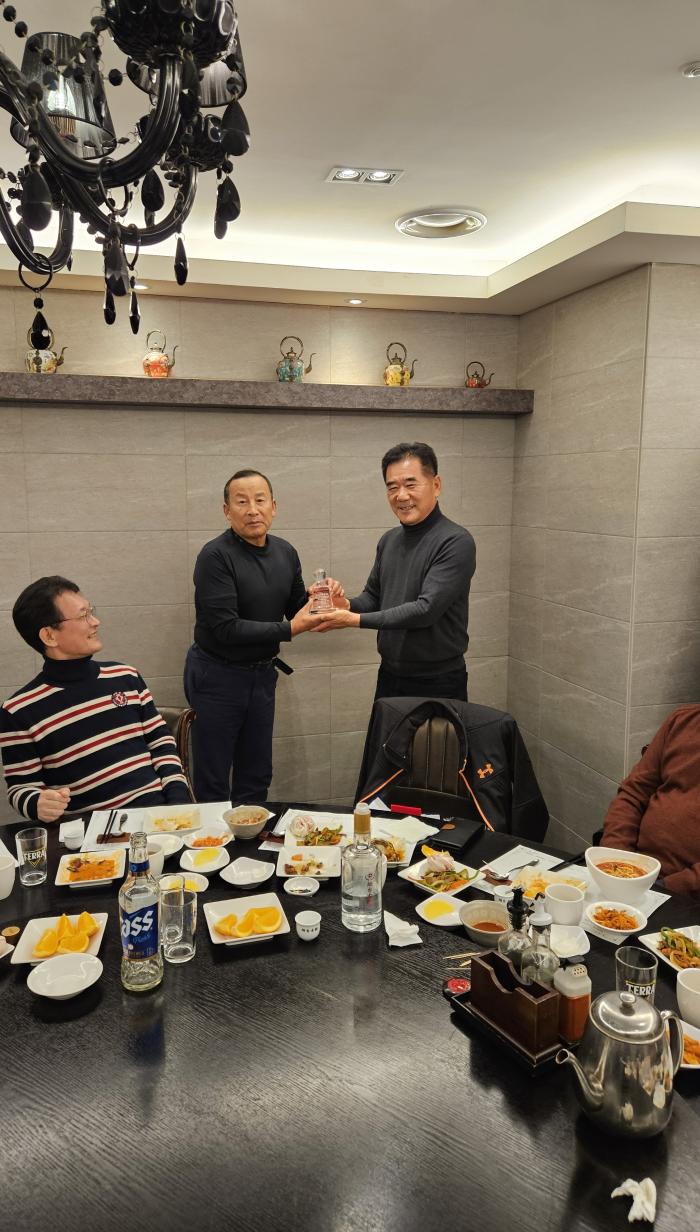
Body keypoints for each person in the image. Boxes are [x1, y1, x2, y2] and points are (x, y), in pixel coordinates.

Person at [184, 469, 327, 804]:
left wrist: (322, 598)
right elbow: (226, 628)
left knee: (257, 772)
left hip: (261, 676)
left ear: (273, 506)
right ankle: (214, 840)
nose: (252, 510)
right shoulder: (214, 556)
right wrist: (290, 629)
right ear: (227, 510)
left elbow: (296, 607)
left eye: (260, 500)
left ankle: (252, 837)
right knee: (213, 776)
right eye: (242, 502)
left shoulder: (286, 551)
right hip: (216, 675)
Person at [0, 576, 191, 822]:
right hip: (88, 831)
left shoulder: (125, 676)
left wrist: (178, 802)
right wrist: (38, 802)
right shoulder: (18, 711)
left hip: (158, 817)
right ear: (49, 636)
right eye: (83, 616)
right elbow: (20, 787)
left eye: (91, 611)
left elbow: (161, 743)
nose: (95, 622)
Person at [313, 442, 476, 701]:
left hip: (438, 680)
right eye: (392, 487)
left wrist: (353, 620)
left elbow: (425, 610)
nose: (401, 496)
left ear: (436, 485)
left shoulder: (455, 541)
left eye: (411, 484)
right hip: (389, 674)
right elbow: (373, 597)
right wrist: (345, 605)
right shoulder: (389, 540)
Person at [601, 704, 700, 895]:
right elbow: (633, 793)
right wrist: (617, 858)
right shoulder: (683, 720)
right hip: (633, 870)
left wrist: (662, 889)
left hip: (685, 894)